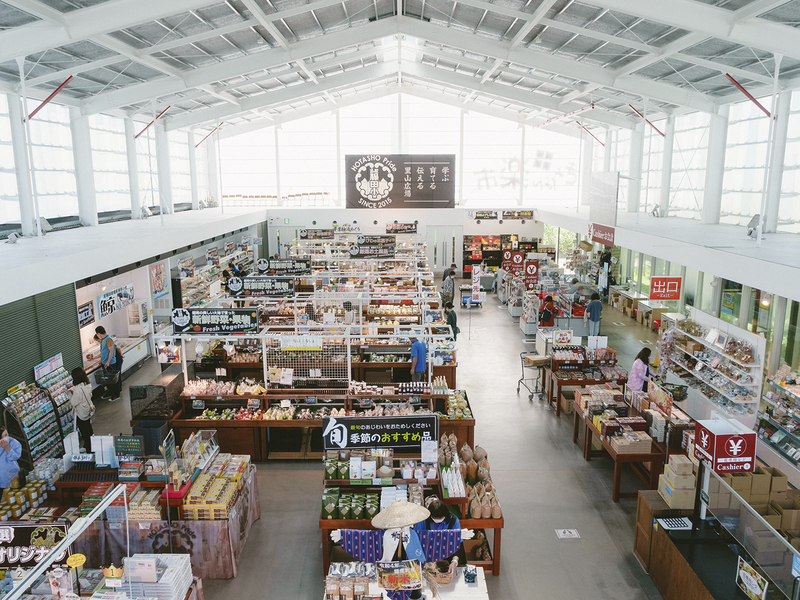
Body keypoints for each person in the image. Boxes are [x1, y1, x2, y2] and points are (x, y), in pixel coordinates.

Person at [69, 367, 95, 449]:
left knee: (84, 431)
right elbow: (89, 395)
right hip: (88, 409)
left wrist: (69, 394)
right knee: (88, 428)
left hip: (81, 413)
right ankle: (93, 444)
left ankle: (88, 447)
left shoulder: (77, 389)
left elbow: (74, 402)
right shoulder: (88, 384)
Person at [94, 326, 122, 402]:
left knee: (113, 379)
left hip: (110, 363)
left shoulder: (108, 340)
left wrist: (108, 362)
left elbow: (111, 351)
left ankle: (116, 394)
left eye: (97, 334)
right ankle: (110, 392)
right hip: (105, 363)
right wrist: (101, 360)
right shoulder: (103, 340)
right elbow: (104, 351)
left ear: (99, 333)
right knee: (108, 380)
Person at [0, 427, 21, 497]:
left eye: (6, 435)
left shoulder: (13, 442)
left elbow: (16, 456)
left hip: (12, 475)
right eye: (3, 436)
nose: (6, 438)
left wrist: (7, 449)